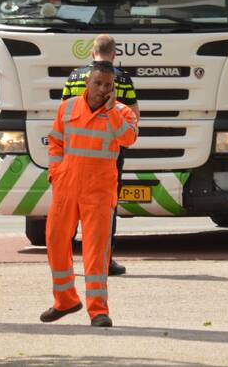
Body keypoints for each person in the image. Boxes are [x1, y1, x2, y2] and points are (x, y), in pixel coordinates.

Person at [41, 61, 138, 327]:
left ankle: (98, 311)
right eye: (97, 83)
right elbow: (56, 141)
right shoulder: (68, 107)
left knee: (96, 252)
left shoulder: (123, 112)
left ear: (113, 88)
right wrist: (56, 172)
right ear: (87, 82)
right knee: (54, 241)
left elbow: (128, 139)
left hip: (99, 191)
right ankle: (65, 301)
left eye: (107, 85)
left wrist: (112, 111)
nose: (102, 89)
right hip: (66, 186)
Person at [62, 34, 139, 277]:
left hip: (75, 152)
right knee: (105, 208)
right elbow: (133, 115)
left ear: (91, 53)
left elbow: (64, 111)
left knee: (70, 207)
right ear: (114, 55)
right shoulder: (121, 79)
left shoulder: (75, 76)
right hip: (108, 154)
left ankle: (65, 260)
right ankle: (104, 261)